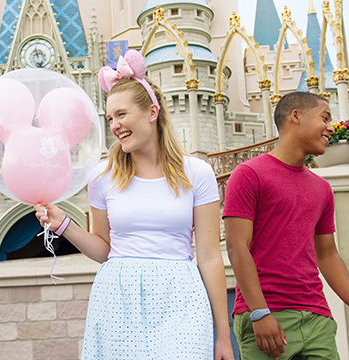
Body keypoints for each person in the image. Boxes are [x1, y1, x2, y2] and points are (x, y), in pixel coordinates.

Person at [34, 50, 233, 360]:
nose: (114, 125)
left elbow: (209, 257)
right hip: (118, 299)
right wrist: (62, 224)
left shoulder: (198, 173)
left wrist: (223, 335)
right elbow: (104, 249)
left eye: (122, 114)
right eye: (110, 117)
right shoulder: (102, 176)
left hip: (181, 299)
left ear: (152, 112)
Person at [224, 91, 349, 359]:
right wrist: (260, 312)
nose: (330, 127)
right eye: (324, 118)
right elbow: (237, 247)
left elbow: (327, 253)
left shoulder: (322, 188)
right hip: (266, 315)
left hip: (317, 318)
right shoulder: (248, 175)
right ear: (296, 116)